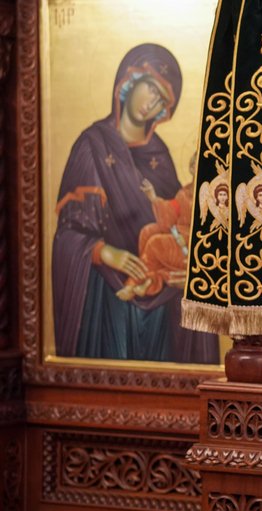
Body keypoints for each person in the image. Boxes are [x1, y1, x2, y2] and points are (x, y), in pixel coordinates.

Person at [51, 43, 218, 363]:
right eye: (151, 88)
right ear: (129, 80)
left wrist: (191, 272)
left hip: (164, 308)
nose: (152, 102)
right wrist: (104, 252)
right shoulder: (92, 145)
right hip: (107, 299)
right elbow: (68, 234)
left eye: (162, 99)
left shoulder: (159, 156)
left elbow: (186, 225)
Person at [116, 154, 196, 301]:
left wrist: (188, 238)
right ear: (191, 168)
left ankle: (132, 284)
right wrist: (153, 197)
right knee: (147, 231)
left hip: (192, 248)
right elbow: (170, 215)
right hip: (179, 235)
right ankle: (149, 280)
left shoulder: (212, 196)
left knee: (155, 243)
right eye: (196, 164)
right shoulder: (184, 192)